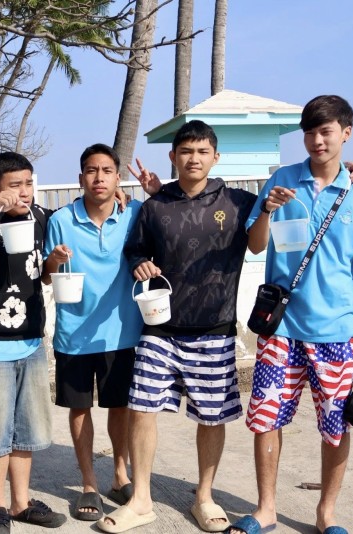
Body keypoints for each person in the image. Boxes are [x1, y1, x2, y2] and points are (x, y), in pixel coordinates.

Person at [230, 95, 353, 534]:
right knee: (266, 417)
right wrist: (267, 208)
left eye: (326, 131)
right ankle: (266, 509)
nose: (317, 140)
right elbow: (256, 245)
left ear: (346, 133)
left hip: (337, 327)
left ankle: (326, 514)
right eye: (309, 132)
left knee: (336, 426)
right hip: (281, 328)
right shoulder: (282, 179)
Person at [99, 120, 257, 534]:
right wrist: (140, 264)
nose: (194, 158)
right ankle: (141, 499)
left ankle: (204, 496)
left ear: (215, 157)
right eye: (186, 151)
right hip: (160, 328)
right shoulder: (155, 205)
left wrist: (350, 175)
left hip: (215, 327)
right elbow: (135, 249)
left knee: (212, 416)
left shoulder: (238, 202)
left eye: (202, 151)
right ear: (173, 156)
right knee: (142, 408)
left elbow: (290, 197)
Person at [44, 143, 158, 524]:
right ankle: (89, 483)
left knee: (120, 406)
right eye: (91, 171)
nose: (99, 178)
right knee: (79, 407)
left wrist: (155, 191)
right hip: (74, 333)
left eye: (107, 171)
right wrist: (53, 261)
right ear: (80, 178)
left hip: (123, 331)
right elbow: (45, 276)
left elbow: (168, 215)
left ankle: (120, 475)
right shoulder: (61, 219)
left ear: (117, 178)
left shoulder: (134, 213)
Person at [0, 152, 66, 534]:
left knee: (26, 430)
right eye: (14, 185)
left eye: (28, 183)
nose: (24, 192)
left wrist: (53, 262)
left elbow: (41, 273)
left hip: (31, 341)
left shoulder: (40, 217)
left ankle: (21, 502)